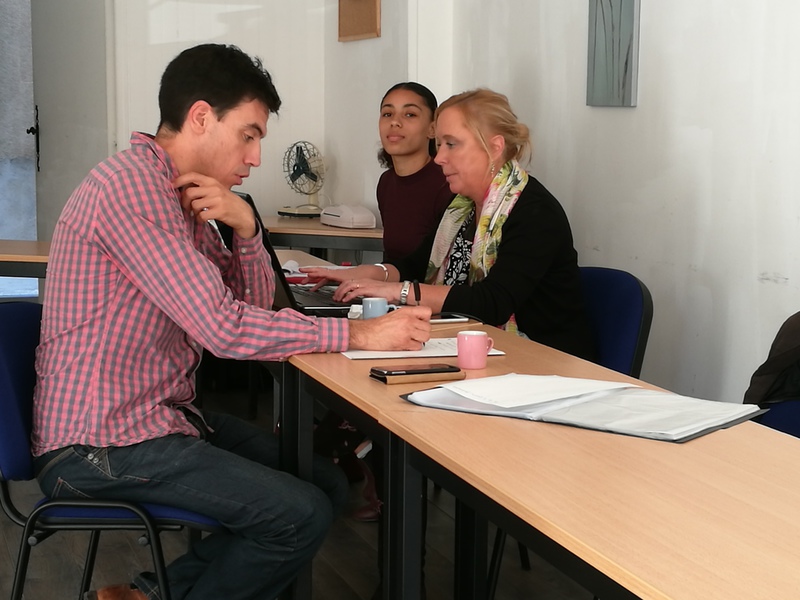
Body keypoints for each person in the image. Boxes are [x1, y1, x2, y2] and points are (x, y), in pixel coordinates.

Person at [31, 44, 431, 600]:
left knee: (324, 482)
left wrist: (246, 229)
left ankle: (149, 594)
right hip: (99, 444)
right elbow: (225, 330)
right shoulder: (131, 189)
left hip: (160, 417)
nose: (257, 156)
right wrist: (359, 333)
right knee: (298, 515)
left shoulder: (187, 195)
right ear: (201, 117)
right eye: (248, 134)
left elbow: (254, 311)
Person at [304, 88, 596, 361]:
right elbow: (414, 265)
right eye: (439, 144)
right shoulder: (461, 207)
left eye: (452, 144)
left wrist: (397, 291)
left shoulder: (535, 211)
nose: (440, 158)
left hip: (544, 362)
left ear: (494, 147)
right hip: (483, 351)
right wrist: (360, 277)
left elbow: (492, 302)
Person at [376, 82, 454, 271]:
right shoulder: (386, 182)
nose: (394, 122)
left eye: (410, 114)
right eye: (387, 114)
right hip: (393, 285)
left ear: (432, 129)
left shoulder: (447, 183)